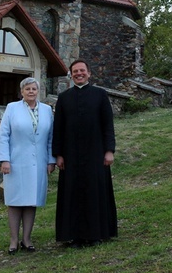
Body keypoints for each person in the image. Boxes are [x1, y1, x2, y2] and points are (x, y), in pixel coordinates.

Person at [52, 59, 117, 247]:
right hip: (70, 155)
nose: (78, 74)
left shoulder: (100, 95)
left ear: (89, 73)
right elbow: (59, 129)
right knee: (71, 194)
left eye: (82, 71)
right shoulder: (64, 98)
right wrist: (58, 154)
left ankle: (95, 234)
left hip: (96, 153)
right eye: (75, 71)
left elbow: (108, 126)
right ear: (71, 75)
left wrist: (109, 150)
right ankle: (74, 236)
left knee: (94, 192)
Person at [0, 77, 56, 254]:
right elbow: (3, 135)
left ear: (38, 91)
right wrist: (4, 159)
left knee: (31, 201)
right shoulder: (12, 108)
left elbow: (51, 138)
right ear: (21, 92)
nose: (31, 92)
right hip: (15, 162)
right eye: (27, 89)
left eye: (34, 89)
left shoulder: (46, 110)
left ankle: (27, 239)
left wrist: (51, 160)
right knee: (15, 201)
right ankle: (14, 240)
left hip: (38, 163)